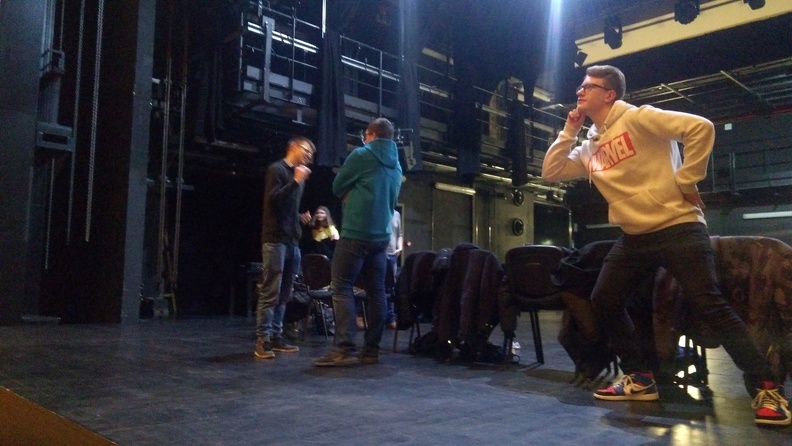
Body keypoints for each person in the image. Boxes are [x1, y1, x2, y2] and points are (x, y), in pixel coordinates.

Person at [541, 65, 789, 426]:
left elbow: (700, 128)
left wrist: (687, 180)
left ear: (609, 94)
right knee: (604, 299)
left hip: (678, 227)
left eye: (589, 86)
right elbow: (550, 171)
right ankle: (639, 377)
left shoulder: (639, 118)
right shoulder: (589, 147)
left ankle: (767, 388)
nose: (580, 91)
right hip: (635, 236)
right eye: (580, 86)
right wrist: (569, 131)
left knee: (710, 305)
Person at [314, 117, 402, 366]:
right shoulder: (397, 165)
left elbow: (337, 185)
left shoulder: (361, 154)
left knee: (341, 287)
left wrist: (350, 195)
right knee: (377, 293)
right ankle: (371, 350)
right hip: (381, 238)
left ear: (370, 135)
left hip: (356, 232)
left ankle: (344, 349)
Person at [254, 136, 315, 359]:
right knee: (271, 290)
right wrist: (296, 181)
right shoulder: (277, 169)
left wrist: (299, 218)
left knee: (285, 292)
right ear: (293, 147)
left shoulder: (300, 176)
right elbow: (273, 201)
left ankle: (277, 336)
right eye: (306, 150)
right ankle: (263, 339)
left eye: (311, 154)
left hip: (292, 241)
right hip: (275, 240)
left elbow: (286, 207)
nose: (309, 156)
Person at [384, 209, 403, 329]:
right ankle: (379, 318)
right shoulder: (377, 209)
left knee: (390, 286)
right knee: (378, 287)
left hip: (392, 254)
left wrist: (399, 248)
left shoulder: (396, 214)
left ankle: (390, 318)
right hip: (379, 252)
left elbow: (399, 233)